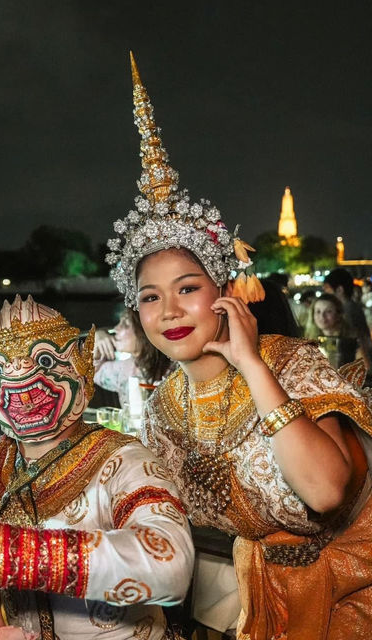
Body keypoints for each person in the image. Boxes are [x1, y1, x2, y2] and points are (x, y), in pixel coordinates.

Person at [105, 54, 372, 639]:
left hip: (342, 598)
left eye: (188, 289)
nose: (169, 310)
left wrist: (250, 364)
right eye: (150, 297)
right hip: (234, 608)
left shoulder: (286, 360)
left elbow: (327, 491)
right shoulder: (163, 408)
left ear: (227, 292)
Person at [0, 295, 194, 640]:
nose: (25, 395)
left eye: (45, 362)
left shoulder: (122, 459)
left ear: (79, 368)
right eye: (1, 372)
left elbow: (172, 566)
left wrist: (2, 545)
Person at [94, 307, 172, 407]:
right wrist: (97, 338)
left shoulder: (175, 370)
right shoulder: (125, 369)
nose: (116, 329)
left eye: (125, 324)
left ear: (143, 330)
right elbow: (86, 373)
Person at [324, 267, 372, 372]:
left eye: (327, 289)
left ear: (340, 290)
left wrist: (367, 368)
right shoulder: (352, 307)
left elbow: (360, 340)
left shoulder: (347, 311)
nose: (325, 294)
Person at [304, 293, 358, 369]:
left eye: (328, 311)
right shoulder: (308, 343)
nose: (322, 316)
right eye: (318, 311)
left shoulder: (353, 340)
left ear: (339, 314)